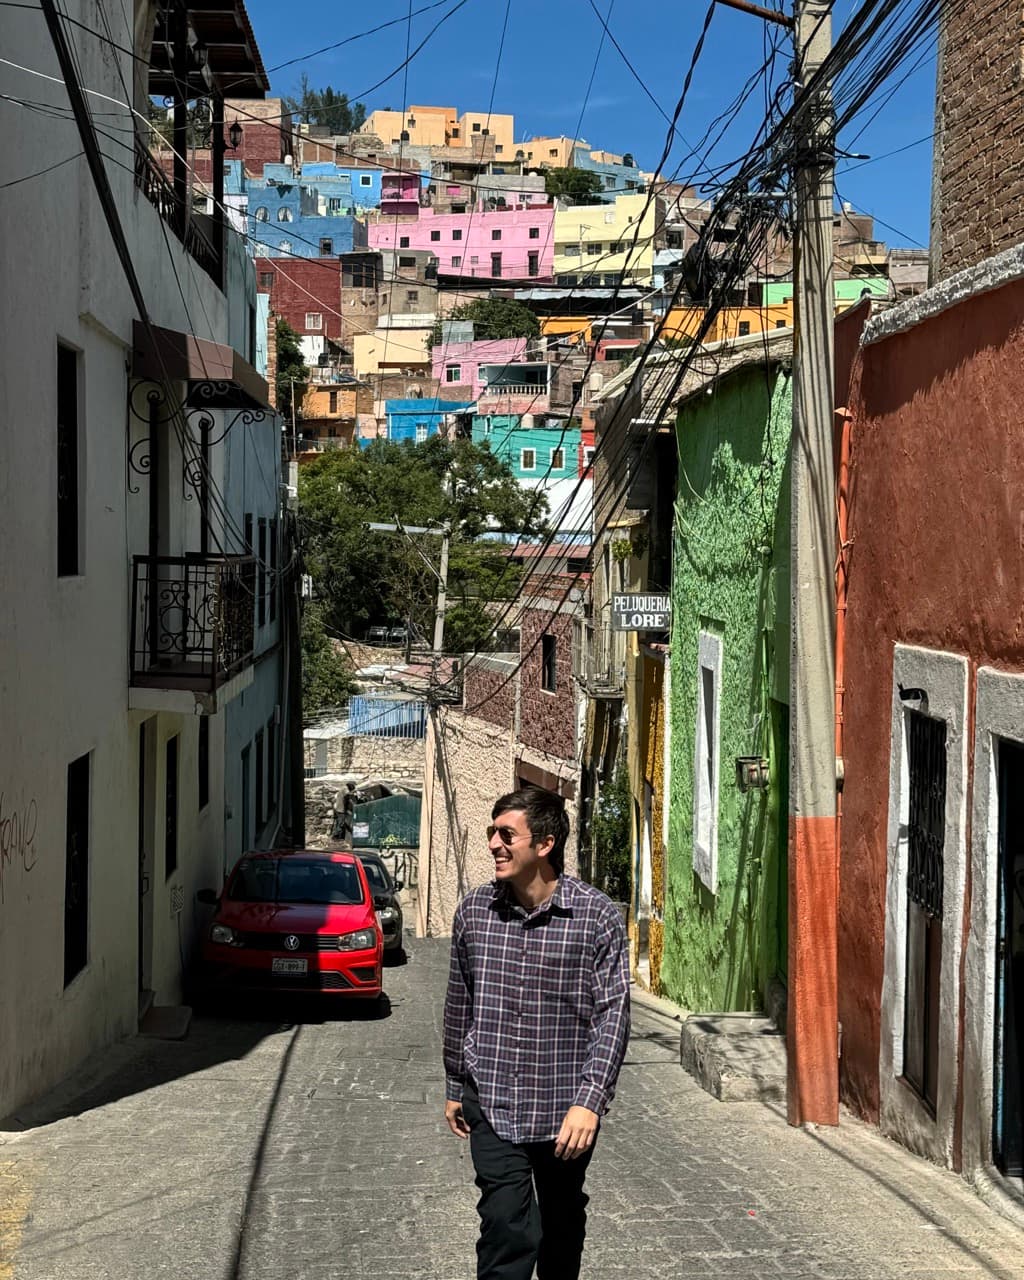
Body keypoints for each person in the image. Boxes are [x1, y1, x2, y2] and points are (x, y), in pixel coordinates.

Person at [443, 785, 630, 1280]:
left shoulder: (595, 917)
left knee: (561, 1227)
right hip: (493, 1101)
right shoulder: (474, 913)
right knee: (506, 1228)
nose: (493, 845)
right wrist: (453, 1086)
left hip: (563, 1111)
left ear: (544, 844)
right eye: (491, 833)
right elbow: (460, 1003)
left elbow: (612, 1015)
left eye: (507, 834)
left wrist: (590, 1101)